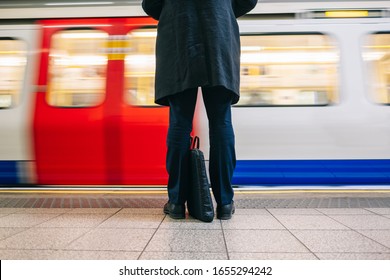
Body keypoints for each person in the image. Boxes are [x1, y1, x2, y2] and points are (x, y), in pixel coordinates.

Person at [142, 0, 257, 220]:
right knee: (221, 122)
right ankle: (224, 202)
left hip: (179, 35)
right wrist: (222, 10)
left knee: (179, 123)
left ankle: (176, 202)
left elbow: (150, 4)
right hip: (219, 34)